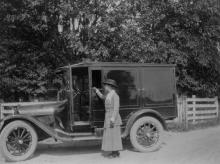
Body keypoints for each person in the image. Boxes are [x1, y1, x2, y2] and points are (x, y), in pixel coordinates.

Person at [93, 79, 123, 158]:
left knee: (114, 136)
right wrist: (96, 91)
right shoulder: (109, 94)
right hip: (108, 117)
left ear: (110, 86)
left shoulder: (115, 96)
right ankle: (115, 153)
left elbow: (116, 109)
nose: (105, 86)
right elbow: (103, 97)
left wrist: (112, 119)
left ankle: (115, 153)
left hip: (113, 118)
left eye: (106, 85)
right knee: (111, 135)